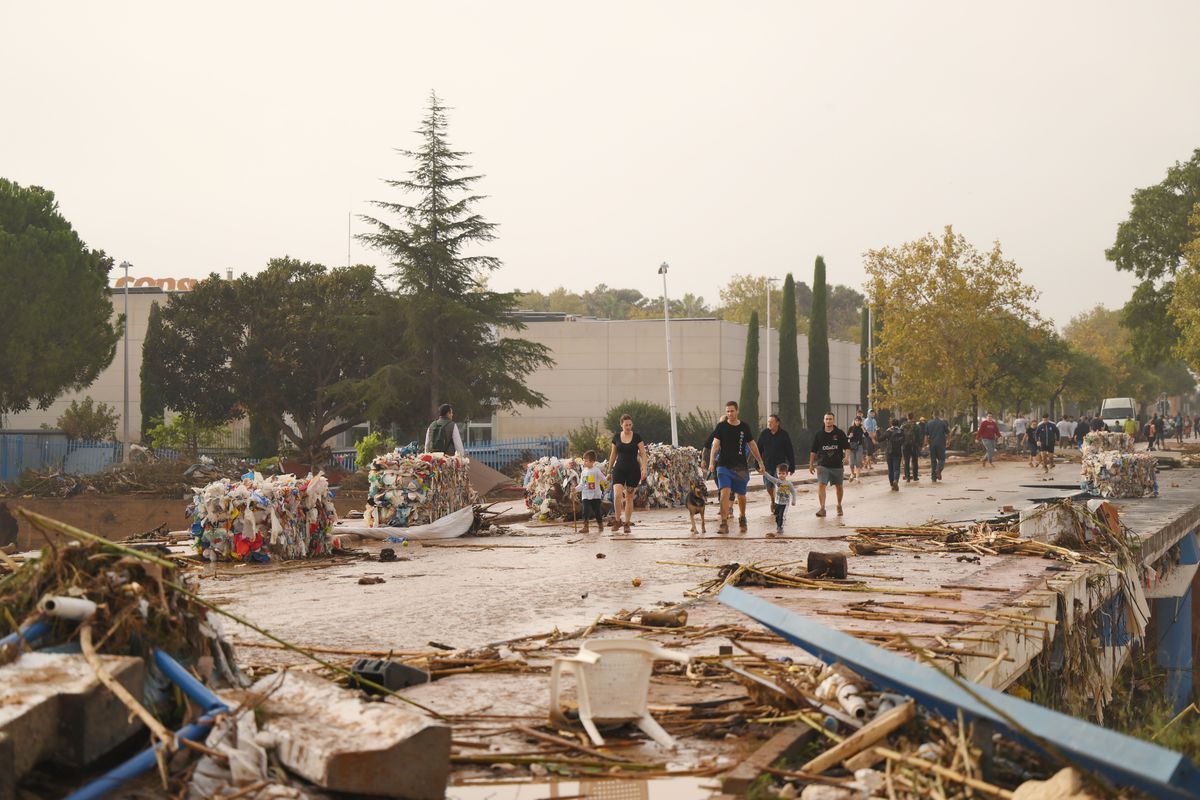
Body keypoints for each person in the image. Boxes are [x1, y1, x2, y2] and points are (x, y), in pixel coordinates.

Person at [707, 400, 767, 535]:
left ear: (737, 411)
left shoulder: (744, 427)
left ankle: (742, 516)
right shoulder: (721, 427)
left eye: (732, 411)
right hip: (723, 466)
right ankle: (723, 522)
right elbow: (715, 445)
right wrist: (711, 462)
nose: (729, 413)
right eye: (727, 411)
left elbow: (752, 445)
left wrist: (760, 462)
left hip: (740, 467)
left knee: (741, 495)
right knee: (724, 493)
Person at [606, 414, 647, 534]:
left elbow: (643, 453)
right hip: (619, 469)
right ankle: (617, 520)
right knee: (617, 494)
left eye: (630, 425)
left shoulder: (637, 437)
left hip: (633, 470)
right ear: (621, 425)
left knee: (629, 497)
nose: (628, 427)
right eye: (626, 425)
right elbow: (613, 454)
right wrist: (609, 470)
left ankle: (627, 523)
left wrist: (644, 469)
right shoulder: (616, 437)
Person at [809, 411, 851, 516]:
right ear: (824, 420)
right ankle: (822, 508)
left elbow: (847, 447)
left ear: (833, 420)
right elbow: (813, 450)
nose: (828, 421)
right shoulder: (819, 434)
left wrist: (846, 458)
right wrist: (811, 464)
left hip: (837, 465)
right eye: (826, 419)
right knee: (821, 485)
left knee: (839, 487)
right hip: (823, 465)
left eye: (830, 419)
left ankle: (839, 505)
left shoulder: (839, 433)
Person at [756, 414, 795, 504]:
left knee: (780, 486)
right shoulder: (764, 434)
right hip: (767, 465)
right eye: (768, 422)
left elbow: (789, 451)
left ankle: (781, 505)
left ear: (777, 423)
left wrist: (792, 466)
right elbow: (758, 450)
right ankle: (773, 499)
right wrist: (757, 463)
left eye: (771, 422)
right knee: (768, 486)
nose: (769, 424)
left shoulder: (784, 434)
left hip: (780, 466)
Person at [575, 450, 607, 534]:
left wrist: (608, 478)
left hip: (595, 496)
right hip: (585, 495)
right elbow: (582, 485)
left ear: (592, 461)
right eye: (584, 460)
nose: (584, 462)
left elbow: (604, 479)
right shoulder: (583, 472)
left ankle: (600, 524)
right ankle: (586, 526)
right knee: (585, 510)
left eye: (586, 461)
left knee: (597, 512)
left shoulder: (596, 471)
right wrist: (574, 489)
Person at [762, 463, 797, 535]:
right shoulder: (777, 481)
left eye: (783, 473)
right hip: (777, 502)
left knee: (782, 515)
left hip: (785, 503)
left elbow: (793, 492)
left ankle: (780, 527)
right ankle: (778, 525)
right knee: (777, 516)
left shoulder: (789, 483)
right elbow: (769, 477)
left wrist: (794, 500)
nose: (781, 475)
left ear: (786, 474)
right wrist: (764, 472)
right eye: (779, 473)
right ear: (777, 474)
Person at [925, 410, 950, 482]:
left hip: (932, 444)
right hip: (941, 444)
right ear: (939, 415)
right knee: (941, 459)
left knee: (933, 461)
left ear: (933, 415)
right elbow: (948, 433)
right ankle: (938, 469)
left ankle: (933, 477)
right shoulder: (943, 423)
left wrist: (926, 444)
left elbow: (926, 435)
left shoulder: (929, 423)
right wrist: (948, 441)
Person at [881, 416, 904, 490]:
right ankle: (896, 481)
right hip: (897, 453)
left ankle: (892, 485)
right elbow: (904, 440)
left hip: (889, 452)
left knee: (890, 469)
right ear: (898, 424)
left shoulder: (888, 431)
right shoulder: (901, 431)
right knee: (896, 468)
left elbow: (880, 439)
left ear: (891, 424)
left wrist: (878, 431)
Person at [900, 412, 921, 482]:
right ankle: (915, 477)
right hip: (914, 445)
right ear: (913, 417)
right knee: (915, 461)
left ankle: (907, 477)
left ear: (907, 417)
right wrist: (919, 445)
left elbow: (900, 434)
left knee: (906, 461)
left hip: (905, 445)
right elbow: (919, 436)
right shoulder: (916, 425)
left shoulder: (903, 425)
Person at [846, 414, 866, 482]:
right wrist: (849, 436)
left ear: (860, 422)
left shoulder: (861, 428)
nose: (857, 422)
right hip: (851, 447)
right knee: (851, 463)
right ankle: (852, 474)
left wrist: (863, 429)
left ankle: (857, 477)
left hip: (859, 446)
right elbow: (847, 437)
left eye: (858, 421)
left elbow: (867, 435)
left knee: (858, 462)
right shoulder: (851, 428)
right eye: (856, 420)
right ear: (854, 421)